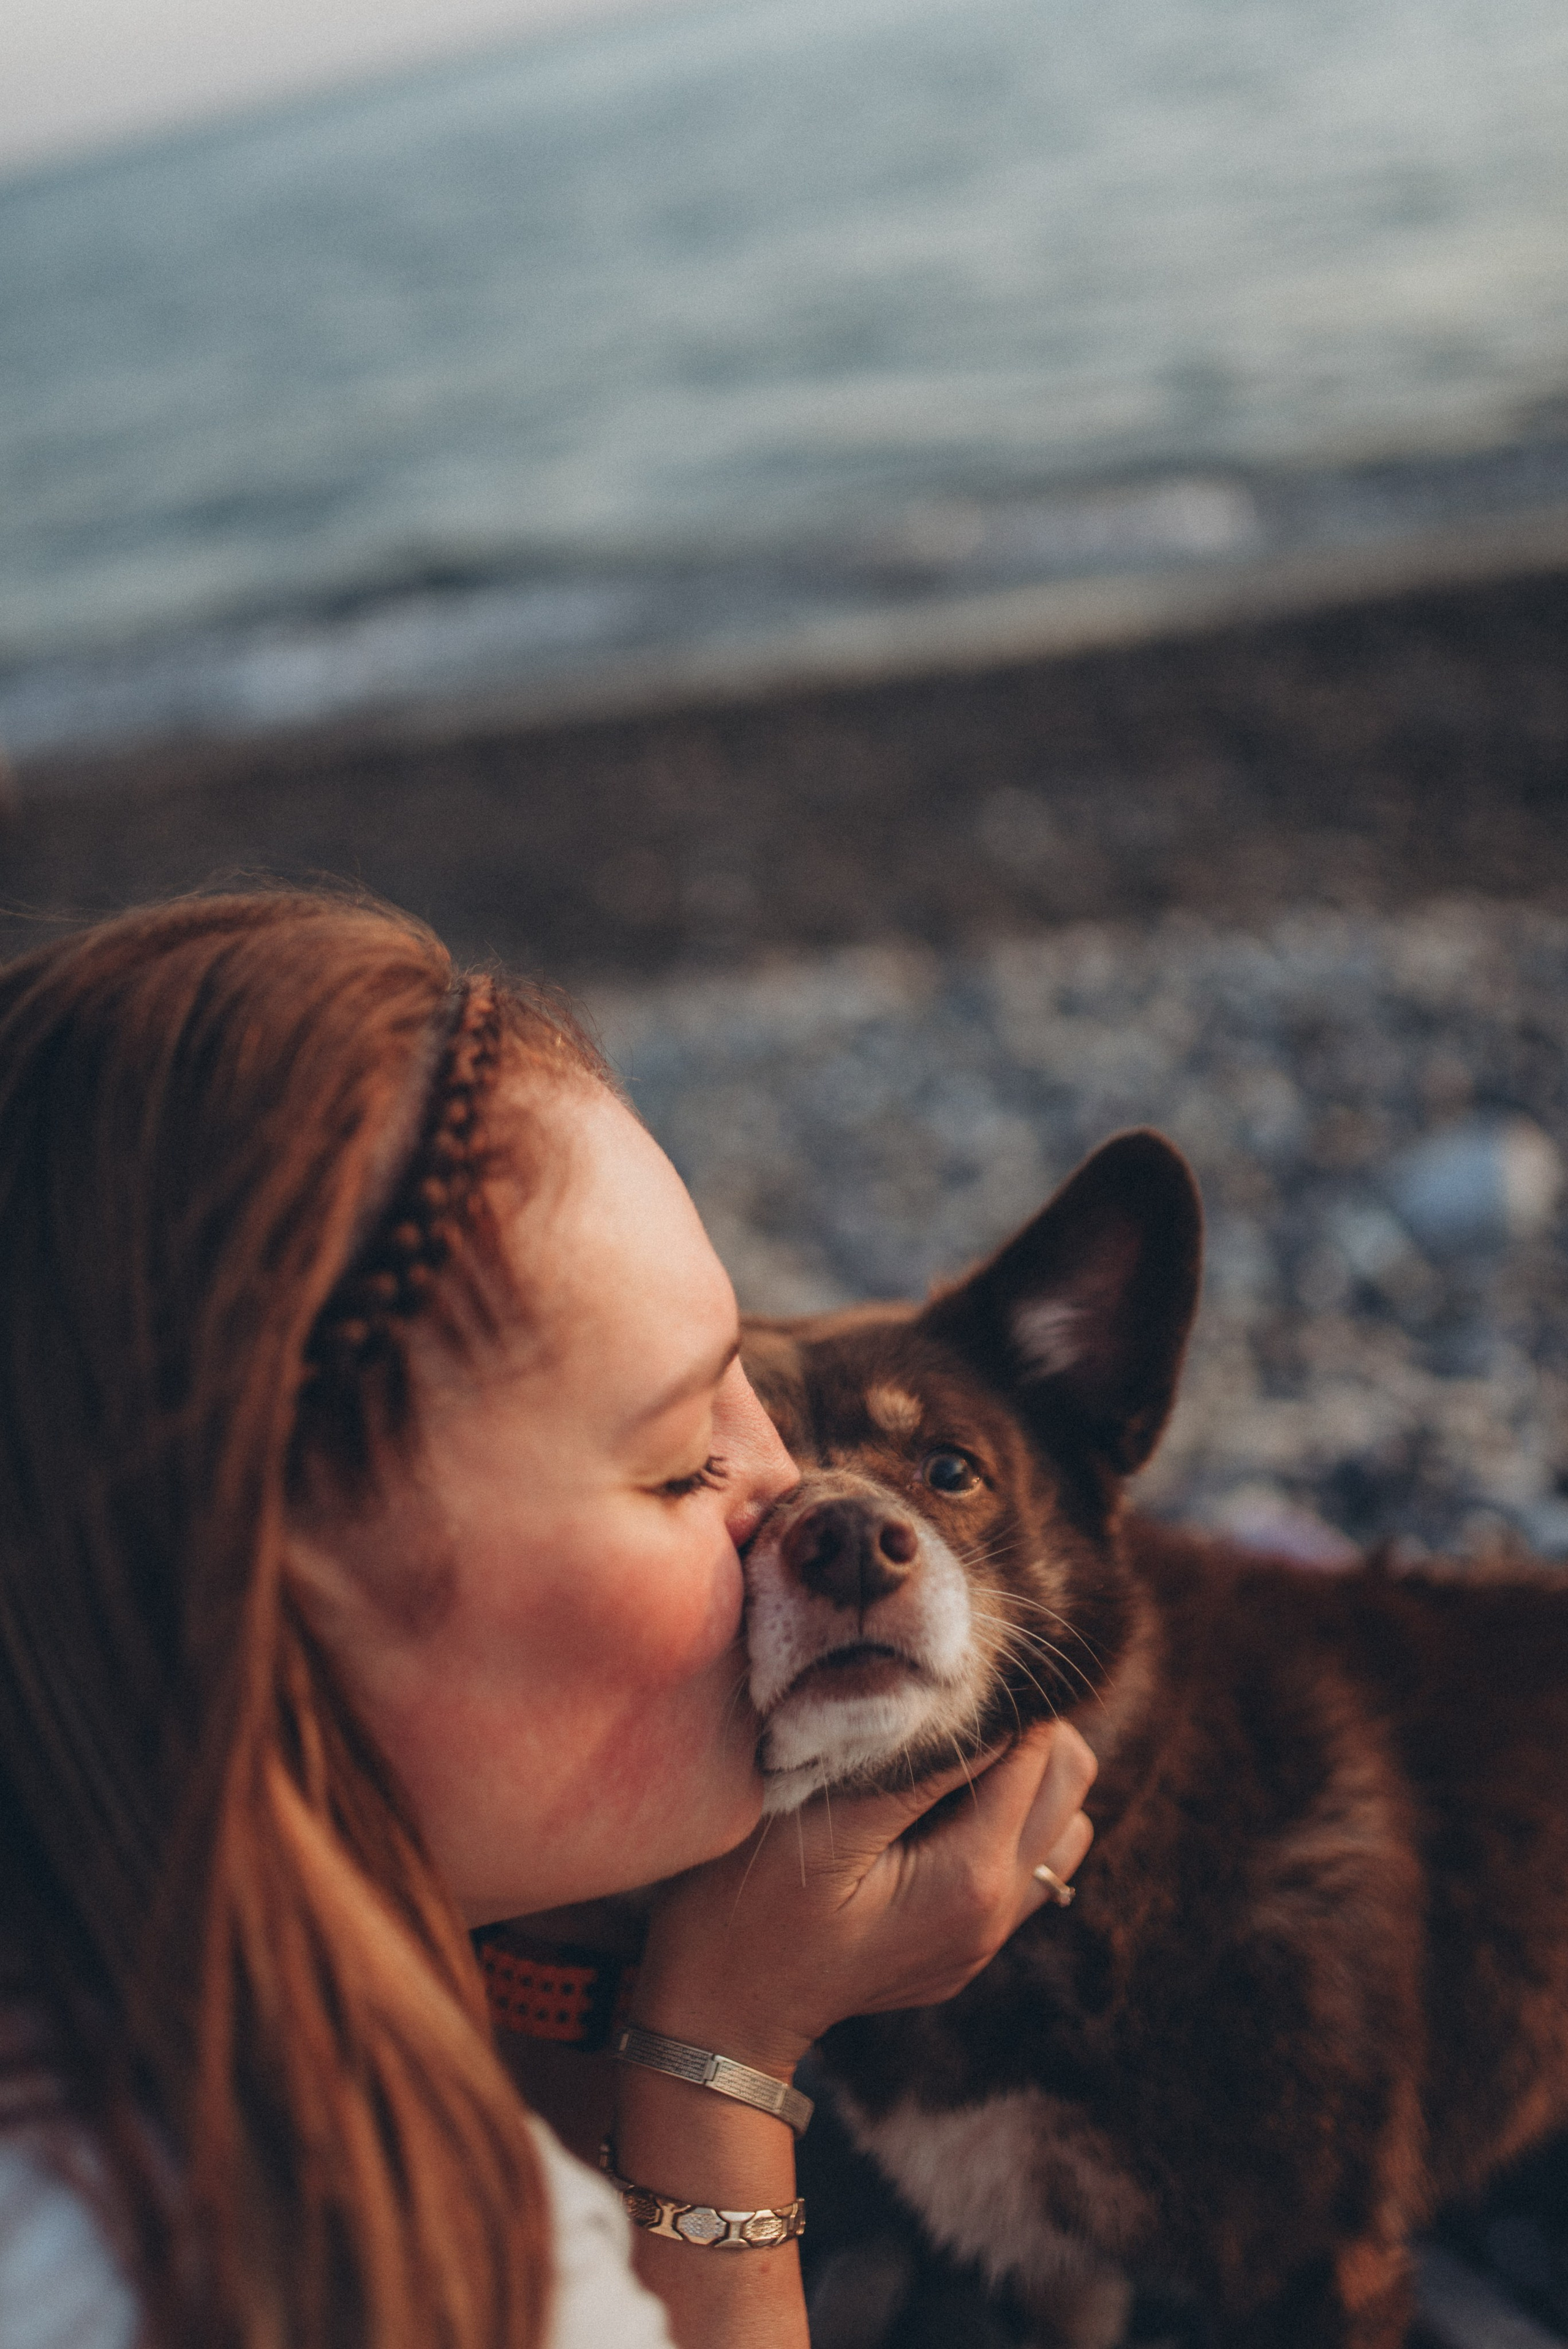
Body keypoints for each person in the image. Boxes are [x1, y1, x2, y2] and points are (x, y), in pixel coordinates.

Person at [0, 891, 1096, 2349]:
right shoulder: (347, 2261)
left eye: (752, 1387)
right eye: (678, 1462)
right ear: (274, 1605)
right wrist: (715, 2059)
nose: (790, 1492)